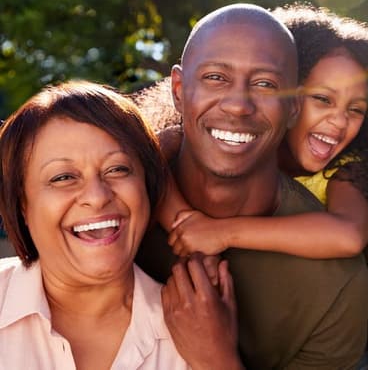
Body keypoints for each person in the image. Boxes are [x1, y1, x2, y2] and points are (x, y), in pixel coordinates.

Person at [134, 3, 368, 369]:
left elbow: (350, 234)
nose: (239, 106)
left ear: (292, 105)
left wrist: (218, 359)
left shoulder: (337, 284)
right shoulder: (115, 214)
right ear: (179, 90)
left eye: (265, 84)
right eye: (216, 77)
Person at [139, 4, 368, 260]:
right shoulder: (193, 140)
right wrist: (186, 223)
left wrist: (222, 232)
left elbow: (349, 235)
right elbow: (152, 165)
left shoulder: (343, 172)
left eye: (356, 110)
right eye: (322, 99)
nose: (340, 120)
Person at [0, 81, 240, 369]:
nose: (98, 197)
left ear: (146, 188)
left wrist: (218, 361)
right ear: (22, 204)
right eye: (63, 177)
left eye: (117, 169)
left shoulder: (199, 334)